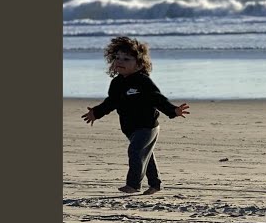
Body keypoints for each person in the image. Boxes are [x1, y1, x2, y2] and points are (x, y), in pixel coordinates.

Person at [81, 36, 191, 194]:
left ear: (139, 64)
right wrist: (96, 113)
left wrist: (173, 110)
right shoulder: (117, 83)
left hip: (147, 126)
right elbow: (111, 102)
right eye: (117, 58)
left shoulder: (143, 81)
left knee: (135, 152)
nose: (120, 61)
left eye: (126, 59)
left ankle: (133, 185)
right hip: (130, 128)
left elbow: (157, 99)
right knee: (146, 155)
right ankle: (155, 185)